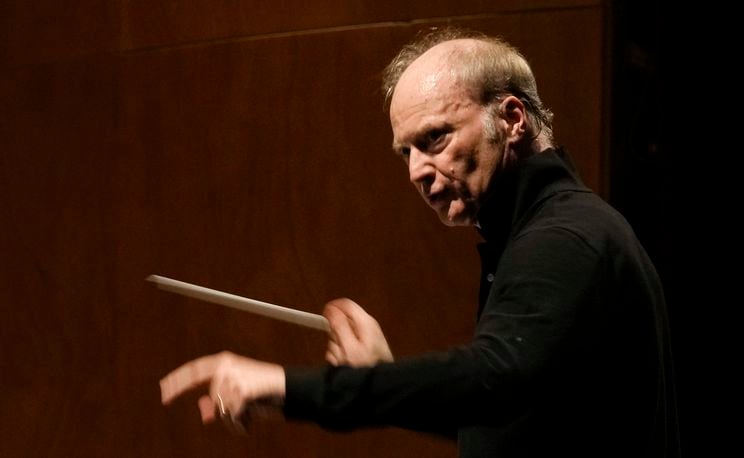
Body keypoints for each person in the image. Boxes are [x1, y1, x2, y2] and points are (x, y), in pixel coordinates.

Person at [160, 28, 681, 457]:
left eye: (434, 139)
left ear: (512, 119)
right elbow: (507, 420)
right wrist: (383, 381)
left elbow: (490, 380)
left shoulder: (566, 238)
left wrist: (287, 386)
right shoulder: (547, 232)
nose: (415, 171)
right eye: (404, 152)